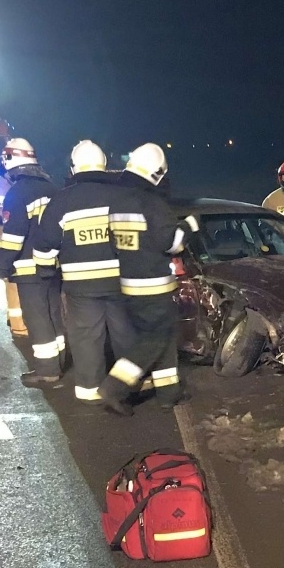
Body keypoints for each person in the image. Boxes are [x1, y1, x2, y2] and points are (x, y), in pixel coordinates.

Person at [32, 141, 132, 401]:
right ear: (105, 165)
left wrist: (46, 273)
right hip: (122, 282)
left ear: (74, 168)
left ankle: (90, 389)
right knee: (125, 334)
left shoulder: (62, 201)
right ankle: (128, 387)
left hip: (81, 286)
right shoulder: (123, 196)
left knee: (87, 336)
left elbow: (45, 245)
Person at [101, 142, 185, 415]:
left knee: (165, 338)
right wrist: (189, 227)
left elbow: (115, 243)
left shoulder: (117, 202)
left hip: (129, 285)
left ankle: (168, 394)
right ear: (158, 172)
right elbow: (171, 243)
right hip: (154, 286)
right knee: (154, 340)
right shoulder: (153, 203)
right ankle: (115, 386)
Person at [0, 140, 66, 388]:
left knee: (37, 318)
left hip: (28, 268)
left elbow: (13, 236)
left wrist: (2, 264)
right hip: (54, 266)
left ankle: (47, 370)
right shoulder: (52, 188)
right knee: (54, 314)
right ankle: (60, 361)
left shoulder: (17, 193)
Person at [0, 164, 26, 337]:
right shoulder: (2, 187)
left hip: (2, 242)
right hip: (7, 241)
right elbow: (2, 218)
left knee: (10, 282)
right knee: (13, 282)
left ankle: (14, 319)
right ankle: (18, 324)